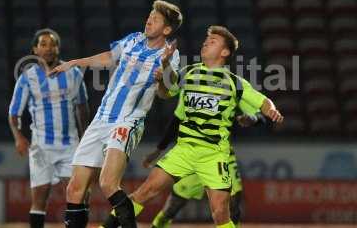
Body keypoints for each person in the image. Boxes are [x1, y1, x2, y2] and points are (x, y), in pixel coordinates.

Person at [101, 25, 283, 228]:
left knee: (220, 212)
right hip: (184, 150)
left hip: (214, 154)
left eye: (213, 41)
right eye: (206, 40)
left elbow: (263, 101)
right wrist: (166, 67)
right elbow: (165, 93)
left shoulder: (234, 83)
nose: (206, 43)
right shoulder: (189, 73)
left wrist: (272, 110)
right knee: (145, 192)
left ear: (225, 52)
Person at [49, 0, 183, 228]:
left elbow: (166, 93)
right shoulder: (133, 39)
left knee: (108, 183)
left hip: (127, 121)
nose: (149, 20)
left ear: (167, 30)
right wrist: (75, 62)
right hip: (101, 118)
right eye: (150, 16)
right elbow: (109, 57)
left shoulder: (170, 55)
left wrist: (165, 70)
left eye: (156, 19)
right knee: (74, 188)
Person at [8, 28, 90, 228]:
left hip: (70, 143)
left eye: (52, 44)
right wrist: (18, 137)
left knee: (79, 195)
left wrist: (85, 138)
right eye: (43, 44)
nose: (49, 48)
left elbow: (82, 107)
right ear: (35, 50)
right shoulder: (27, 78)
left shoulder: (73, 73)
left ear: (58, 48)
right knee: (40, 199)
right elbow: (14, 114)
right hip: (41, 146)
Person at [145, 112, 266, 228]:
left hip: (223, 158)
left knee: (233, 203)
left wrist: (253, 119)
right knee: (172, 207)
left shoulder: (236, 93)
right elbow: (175, 122)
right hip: (194, 157)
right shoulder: (191, 94)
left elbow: (261, 119)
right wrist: (158, 150)